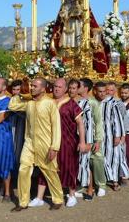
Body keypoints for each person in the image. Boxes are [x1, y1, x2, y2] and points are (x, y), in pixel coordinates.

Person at [9, 78, 64, 212]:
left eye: (34, 86)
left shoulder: (50, 104)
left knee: (50, 172)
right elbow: (12, 106)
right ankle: (23, 202)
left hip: (46, 144)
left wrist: (54, 147)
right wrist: (21, 94)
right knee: (23, 169)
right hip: (29, 143)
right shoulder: (29, 103)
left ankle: (58, 199)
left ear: (43, 88)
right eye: (31, 85)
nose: (32, 88)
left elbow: (57, 127)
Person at [29, 78, 85, 208]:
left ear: (65, 89)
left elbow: (80, 124)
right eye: (55, 86)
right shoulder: (47, 102)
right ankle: (39, 197)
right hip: (48, 141)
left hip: (68, 142)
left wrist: (82, 142)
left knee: (69, 168)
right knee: (45, 167)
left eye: (60, 87)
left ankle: (71, 195)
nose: (56, 89)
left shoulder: (71, 104)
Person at [101, 81, 128, 191]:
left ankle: (117, 180)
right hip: (103, 135)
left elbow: (123, 120)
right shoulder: (100, 102)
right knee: (105, 157)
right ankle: (107, 178)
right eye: (107, 90)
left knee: (116, 157)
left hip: (115, 135)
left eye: (111, 90)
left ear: (115, 91)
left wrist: (122, 136)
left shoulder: (118, 103)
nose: (108, 92)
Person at [78, 78, 102, 201]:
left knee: (89, 163)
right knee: (81, 162)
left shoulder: (92, 103)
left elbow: (98, 122)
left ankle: (90, 189)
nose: (77, 87)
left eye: (79, 85)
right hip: (78, 136)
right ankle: (81, 186)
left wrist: (97, 140)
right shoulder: (77, 101)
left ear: (86, 88)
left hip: (89, 137)